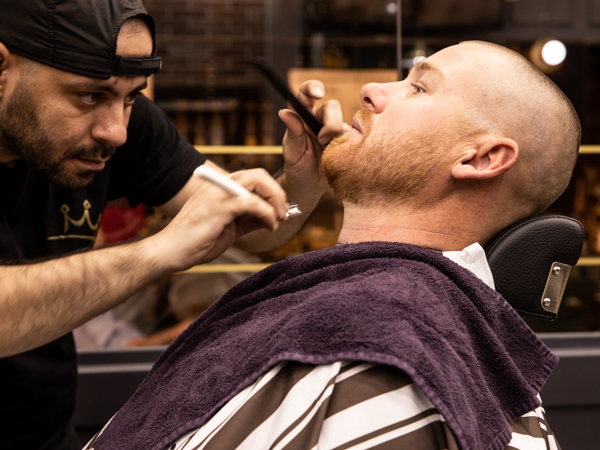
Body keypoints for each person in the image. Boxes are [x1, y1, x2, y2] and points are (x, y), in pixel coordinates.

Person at [86, 40, 580, 450]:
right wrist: (301, 187)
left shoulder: (395, 357)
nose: (370, 90)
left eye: (419, 86)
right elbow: (268, 228)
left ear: (482, 157)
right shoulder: (389, 323)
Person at [0, 1, 345, 449]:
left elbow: (252, 227)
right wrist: (158, 251)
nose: (116, 131)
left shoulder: (124, 125)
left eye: (130, 96)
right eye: (88, 95)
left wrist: (301, 184)